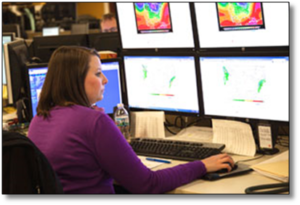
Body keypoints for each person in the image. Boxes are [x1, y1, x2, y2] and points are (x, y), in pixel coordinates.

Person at [28, 46, 235, 194]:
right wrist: (202, 165)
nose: (105, 80)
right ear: (75, 79)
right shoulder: (93, 122)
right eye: (98, 73)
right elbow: (147, 184)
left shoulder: (39, 119)